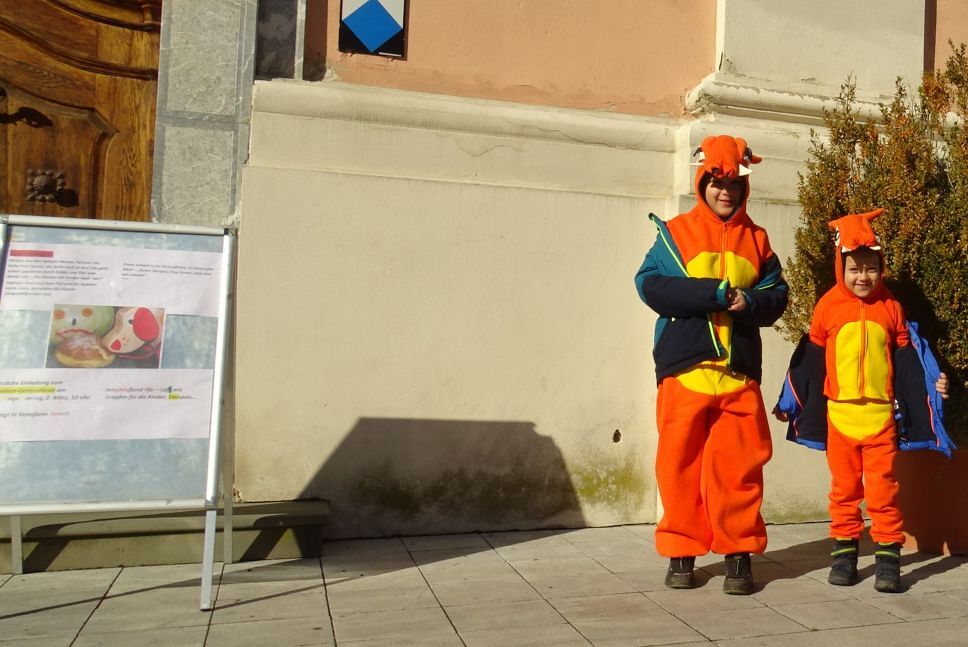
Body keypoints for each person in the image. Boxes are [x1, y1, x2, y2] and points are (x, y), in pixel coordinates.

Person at [634, 135, 788, 595]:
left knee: (740, 469)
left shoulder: (758, 240)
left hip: (739, 375)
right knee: (678, 467)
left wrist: (749, 301)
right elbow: (649, 286)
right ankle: (681, 551)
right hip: (685, 373)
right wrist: (715, 294)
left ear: (744, 188)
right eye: (718, 183)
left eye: (735, 184)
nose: (726, 192)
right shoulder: (675, 233)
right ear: (703, 182)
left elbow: (777, 297)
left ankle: (738, 553)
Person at [773, 208, 954, 593]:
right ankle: (844, 556)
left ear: (881, 268)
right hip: (840, 418)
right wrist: (790, 400)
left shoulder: (891, 308)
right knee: (844, 491)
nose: (863, 277)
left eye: (871, 269)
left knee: (883, 491)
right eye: (854, 269)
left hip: (880, 418)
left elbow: (909, 362)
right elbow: (809, 362)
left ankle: (888, 557)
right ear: (841, 267)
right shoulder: (827, 307)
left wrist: (932, 384)